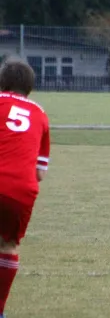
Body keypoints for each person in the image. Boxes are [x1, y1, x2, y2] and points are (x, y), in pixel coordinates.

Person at [0, 57, 50, 318]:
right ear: (30, 88)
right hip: (21, 189)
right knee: (7, 245)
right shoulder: (40, 114)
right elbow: (40, 172)